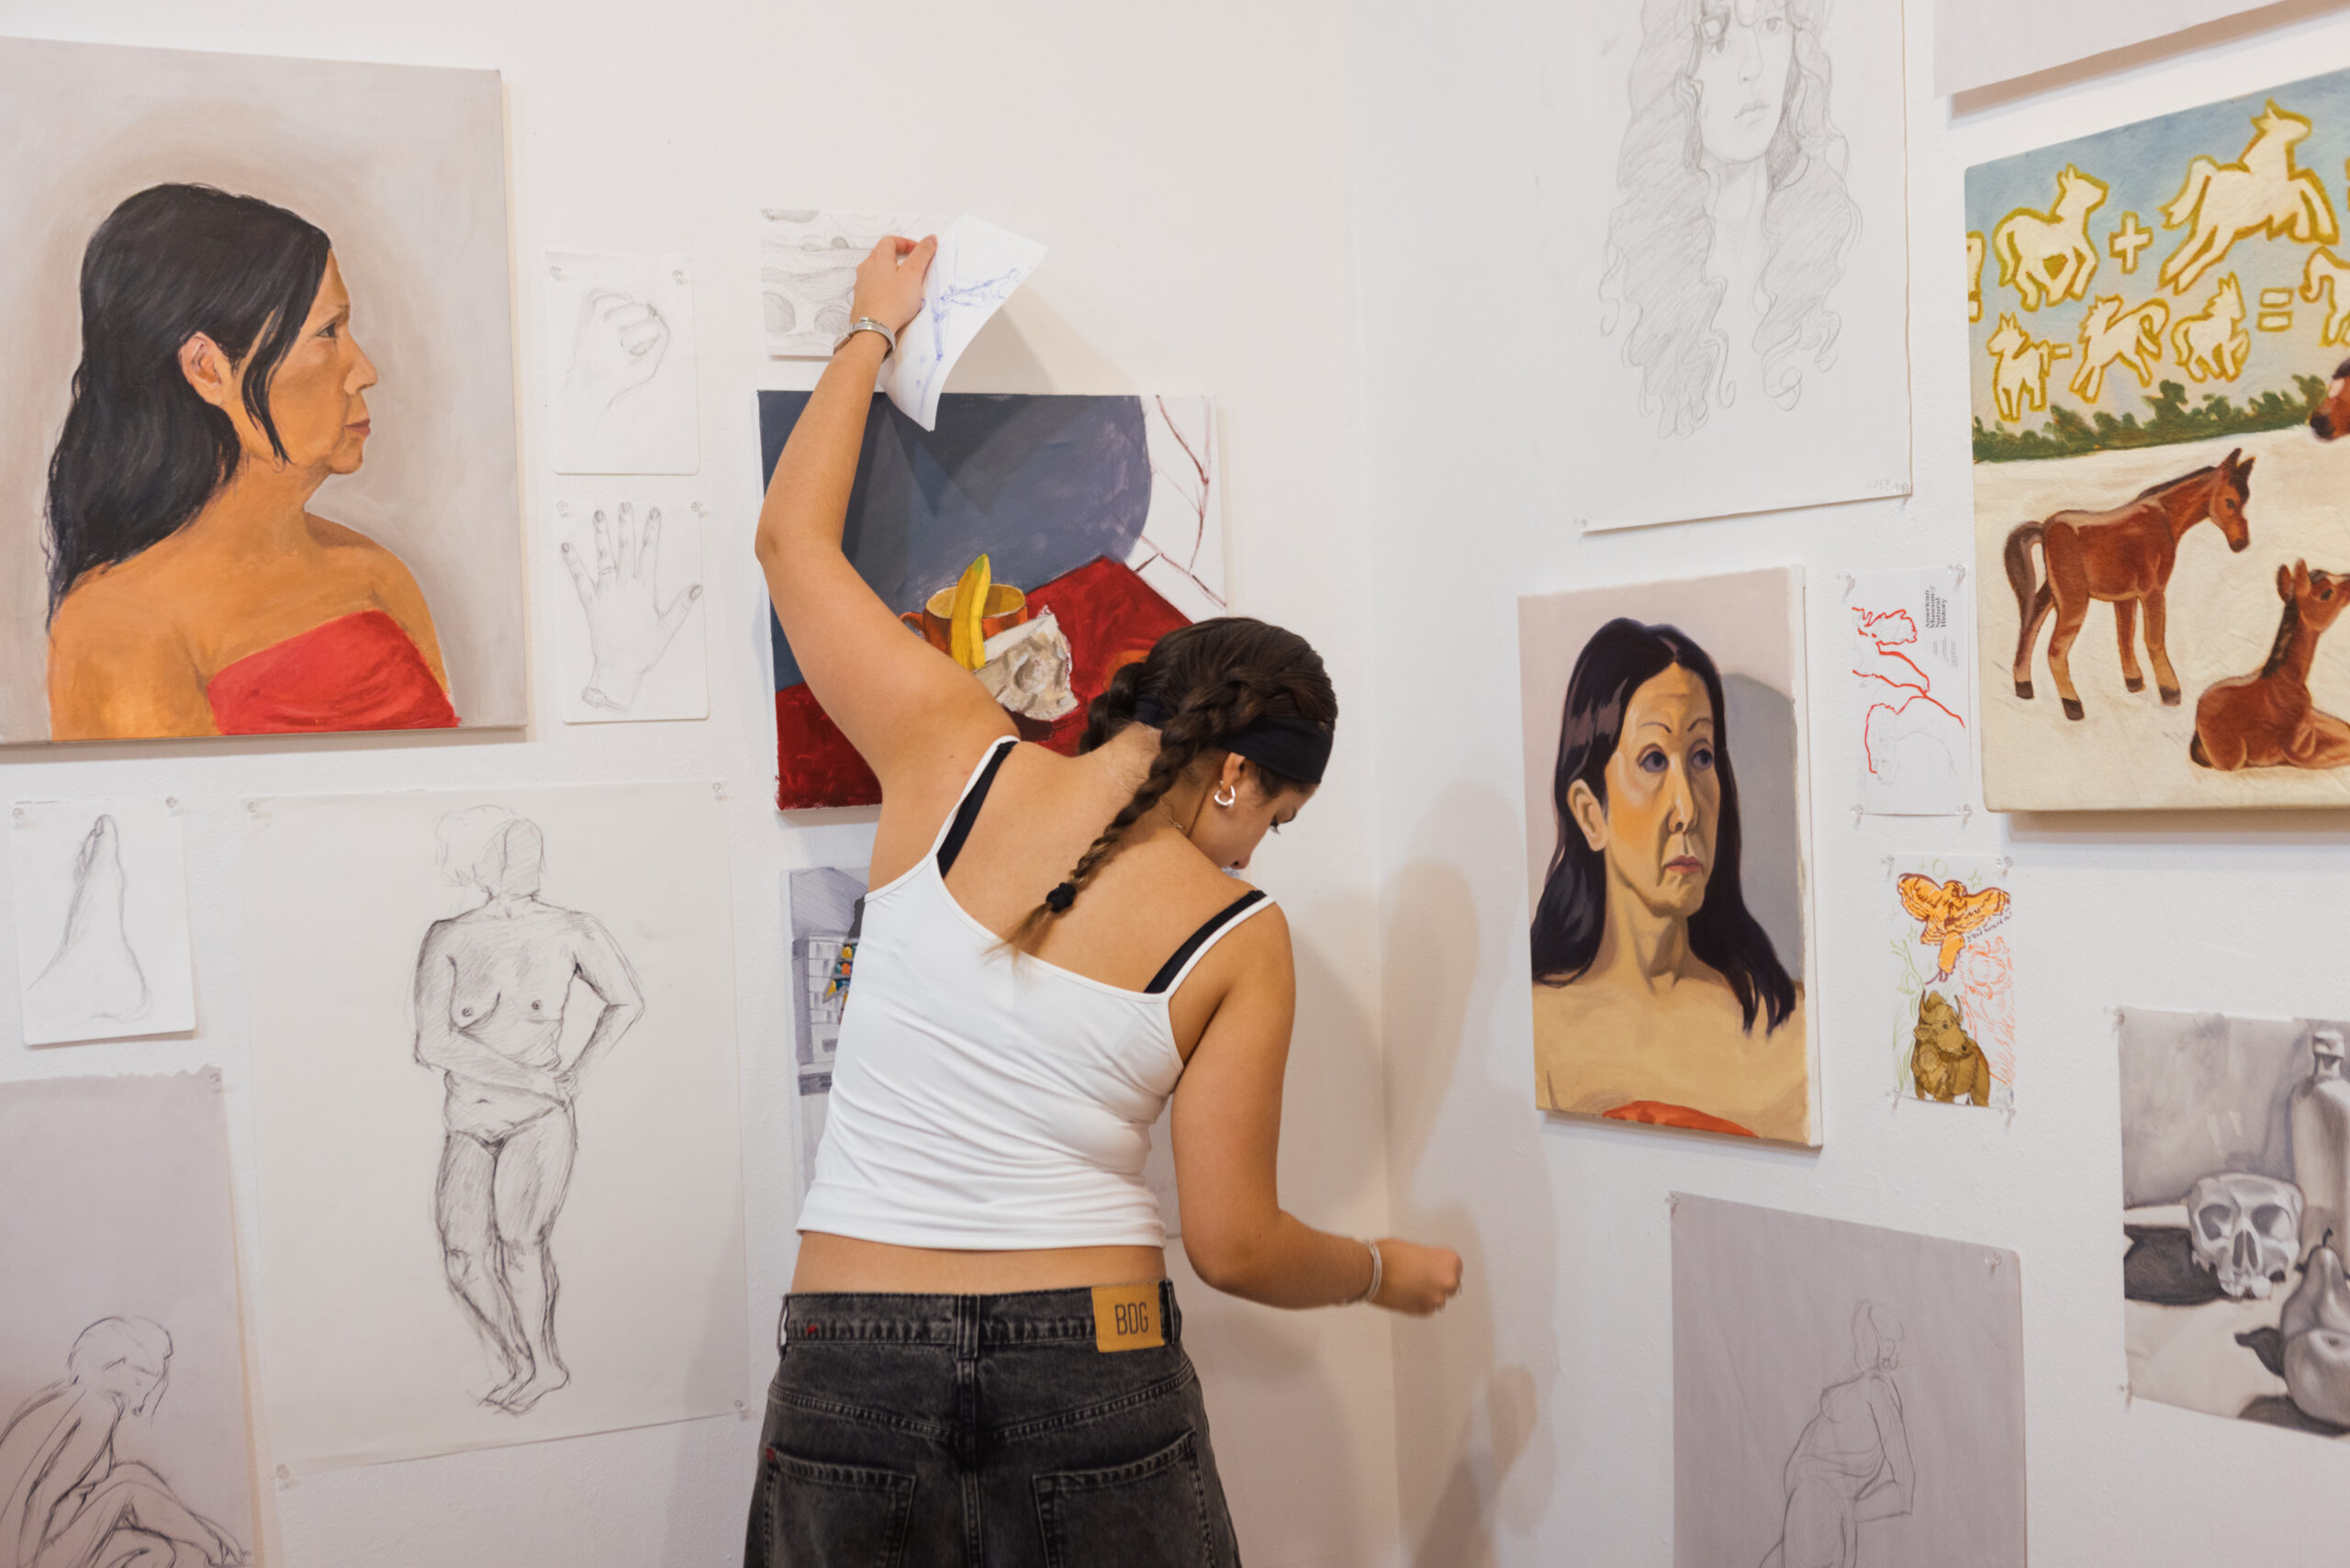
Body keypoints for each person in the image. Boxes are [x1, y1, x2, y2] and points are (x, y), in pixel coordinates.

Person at [747, 235, 1463, 1565]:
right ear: (1240, 774)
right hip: (1092, 1359)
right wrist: (1382, 1271)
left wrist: (870, 328)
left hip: (853, 1348)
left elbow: (790, 542)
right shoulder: (1238, 940)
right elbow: (1238, 1248)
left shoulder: (951, 753)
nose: (1255, 859)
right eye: (1277, 824)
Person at [44, 183, 455, 739]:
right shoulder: (117, 623)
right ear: (208, 369)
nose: (364, 370)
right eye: (328, 333)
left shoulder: (378, 575)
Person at [1529, 618, 1807, 1139]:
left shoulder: (1789, 1029)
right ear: (1591, 814)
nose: (1687, 808)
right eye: (1654, 760)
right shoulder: (1538, 1032)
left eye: (1702, 757)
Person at [412, 808, 645, 1415]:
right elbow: (432, 1043)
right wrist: (536, 1078)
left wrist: (576, 1075)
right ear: (481, 862)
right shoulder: (449, 937)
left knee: (520, 1242)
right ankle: (515, 1358)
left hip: (537, 1125)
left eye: (532, 849)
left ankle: (544, 1366)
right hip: (469, 1120)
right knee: (462, 1257)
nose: (529, 863)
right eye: (514, 852)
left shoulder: (573, 930)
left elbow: (625, 1001)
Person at [1600, 0, 1857, 438]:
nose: (1752, 65)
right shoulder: (1633, 277)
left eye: (1773, 25)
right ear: (1678, 68)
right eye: (1717, 41)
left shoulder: (1833, 246)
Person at [0, 1317, 246, 1568]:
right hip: (29, 1552)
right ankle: (221, 1555)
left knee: (141, 1503)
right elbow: (44, 1496)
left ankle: (217, 1546)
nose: (144, 1396)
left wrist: (206, 1529)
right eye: (142, 1382)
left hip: (40, 1539)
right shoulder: (95, 1409)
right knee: (129, 1489)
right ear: (116, 1368)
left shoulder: (66, 1398)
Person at [1759, 1304, 1914, 1568]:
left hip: (1819, 1512)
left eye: (1868, 1332)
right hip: (1812, 1515)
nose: (1859, 1340)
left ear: (1886, 1345)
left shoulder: (1877, 1392)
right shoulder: (1856, 1389)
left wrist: (1843, 1510)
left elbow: (1904, 1491)